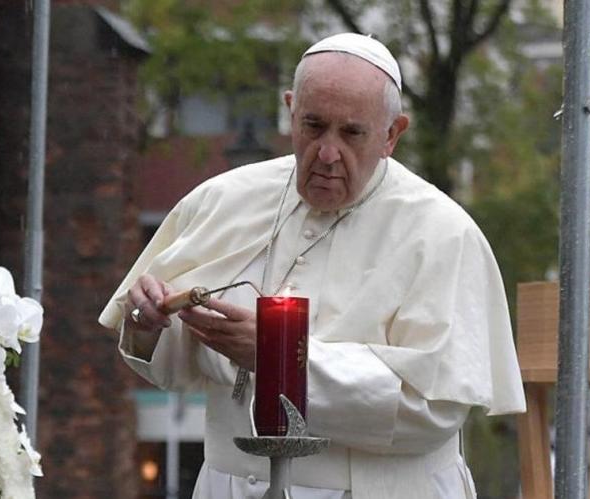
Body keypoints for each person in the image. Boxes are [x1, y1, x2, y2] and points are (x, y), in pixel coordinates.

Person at [99, 33, 525, 499]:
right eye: (314, 126)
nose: (326, 153)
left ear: (392, 134)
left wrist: (279, 356)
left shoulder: (443, 233)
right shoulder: (221, 201)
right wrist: (148, 323)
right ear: (290, 110)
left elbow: (433, 408)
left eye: (352, 133)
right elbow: (175, 367)